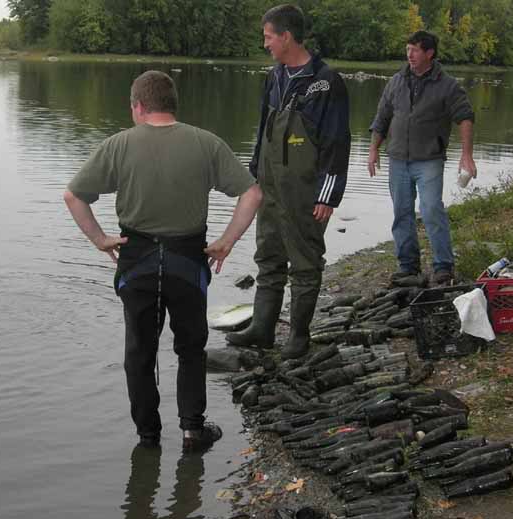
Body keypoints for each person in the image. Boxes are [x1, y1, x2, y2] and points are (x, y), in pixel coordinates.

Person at [63, 70, 263, 451]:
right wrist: (226, 242)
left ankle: (148, 437)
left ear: (138, 106)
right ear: (173, 104)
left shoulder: (118, 145)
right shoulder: (206, 143)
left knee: (139, 351)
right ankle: (192, 431)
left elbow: (74, 196)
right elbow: (252, 193)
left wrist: (100, 239)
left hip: (136, 260)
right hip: (188, 261)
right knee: (190, 348)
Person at [226, 4, 351, 360]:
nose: (265, 43)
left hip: (306, 191)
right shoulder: (274, 77)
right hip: (269, 186)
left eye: (268, 37)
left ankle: (298, 337)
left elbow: (337, 144)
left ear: (286, 36)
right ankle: (262, 329)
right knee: (268, 255)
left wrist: (328, 196)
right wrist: (254, 175)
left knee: (306, 262)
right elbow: (264, 131)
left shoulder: (326, 82)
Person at [368, 30, 476, 287]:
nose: (410, 55)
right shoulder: (396, 81)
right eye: (408, 50)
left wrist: (467, 155)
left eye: (415, 50)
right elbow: (381, 118)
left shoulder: (447, 85)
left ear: (429, 53)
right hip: (397, 159)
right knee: (401, 213)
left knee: (430, 210)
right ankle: (408, 268)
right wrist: (373, 150)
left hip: (429, 160)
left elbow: (465, 116)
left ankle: (443, 268)